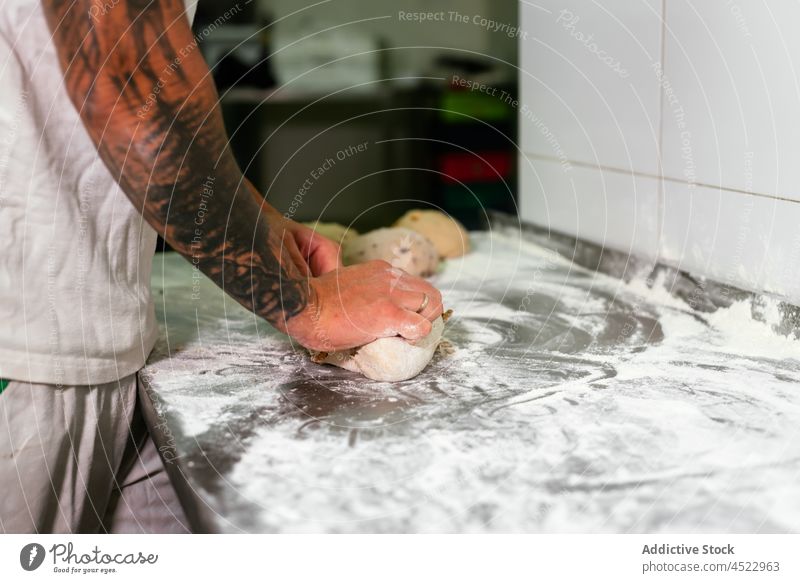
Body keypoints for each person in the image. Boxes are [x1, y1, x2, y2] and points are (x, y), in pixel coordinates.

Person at [0, 0, 442, 533]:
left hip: (86, 336)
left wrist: (255, 218)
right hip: (24, 352)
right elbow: (135, 91)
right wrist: (308, 304)